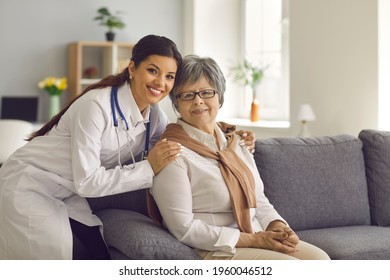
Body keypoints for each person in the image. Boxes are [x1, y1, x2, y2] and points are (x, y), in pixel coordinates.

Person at [0, 35, 255, 260]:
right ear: (132, 68)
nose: (161, 82)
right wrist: (148, 167)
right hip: (30, 183)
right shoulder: (96, 106)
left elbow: (182, 135)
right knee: (52, 259)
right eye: (153, 71)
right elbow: (87, 182)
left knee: (98, 253)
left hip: (67, 190)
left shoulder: (154, 115)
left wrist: (228, 135)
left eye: (169, 77)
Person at [148, 55, 330, 260]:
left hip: (257, 234)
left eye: (207, 92)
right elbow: (184, 228)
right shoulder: (172, 153)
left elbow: (258, 201)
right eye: (187, 95)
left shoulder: (236, 143)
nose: (198, 100)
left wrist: (278, 225)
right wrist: (254, 240)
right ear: (176, 103)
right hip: (216, 248)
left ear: (220, 97)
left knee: (320, 260)